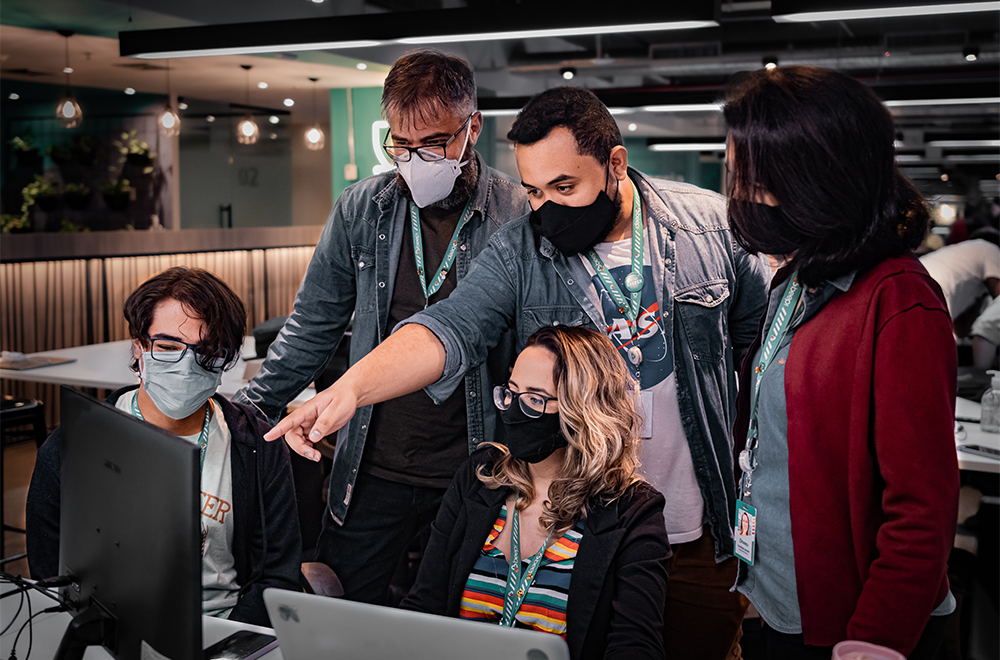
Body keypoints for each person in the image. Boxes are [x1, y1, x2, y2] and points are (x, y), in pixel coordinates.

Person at [268, 86, 770, 659]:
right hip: (581, 526)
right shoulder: (521, 250)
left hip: (697, 528)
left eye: (564, 187)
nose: (546, 208)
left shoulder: (710, 228)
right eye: (533, 191)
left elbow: (759, 356)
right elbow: (447, 328)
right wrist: (350, 389)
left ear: (615, 164)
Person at [234, 50, 529, 605]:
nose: (416, 160)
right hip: (371, 464)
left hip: (476, 466)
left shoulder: (516, 215)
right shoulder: (362, 209)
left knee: (455, 619)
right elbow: (313, 325)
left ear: (472, 127)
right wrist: (244, 416)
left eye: (435, 143)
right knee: (343, 615)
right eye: (401, 144)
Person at [724, 66, 958, 659]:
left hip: (854, 630)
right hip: (780, 607)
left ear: (815, 181)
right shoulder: (799, 278)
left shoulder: (898, 301)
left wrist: (876, 637)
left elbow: (922, 506)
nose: (744, 198)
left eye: (756, 181)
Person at [26, 266, 302, 626]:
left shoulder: (257, 446)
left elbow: (276, 576)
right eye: (169, 347)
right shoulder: (73, 446)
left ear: (227, 360)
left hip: (226, 627)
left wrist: (231, 640)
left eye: (208, 352)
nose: (187, 367)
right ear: (139, 346)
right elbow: (52, 575)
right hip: (110, 629)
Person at [401, 325, 670, 660]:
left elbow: (635, 647)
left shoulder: (633, 511)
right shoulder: (480, 476)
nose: (513, 410)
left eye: (534, 399)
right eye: (511, 392)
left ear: (582, 411)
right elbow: (424, 605)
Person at [919, 238, 1000, 337]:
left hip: (915, 278)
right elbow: (998, 301)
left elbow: (959, 331)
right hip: (933, 290)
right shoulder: (991, 250)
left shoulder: (961, 253)